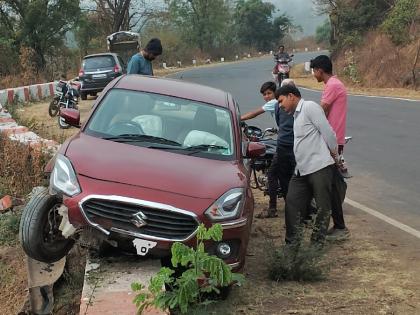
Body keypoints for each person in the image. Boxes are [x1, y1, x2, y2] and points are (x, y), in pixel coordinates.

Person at [276, 84, 338, 246]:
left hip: (319, 168)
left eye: (281, 101)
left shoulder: (310, 107)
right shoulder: (296, 115)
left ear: (291, 96)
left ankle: (316, 246)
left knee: (323, 208)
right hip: (301, 170)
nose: (281, 106)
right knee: (292, 203)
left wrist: (335, 154)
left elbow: (328, 133)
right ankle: (292, 247)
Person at [241, 80, 296, 218]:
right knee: (284, 176)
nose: (267, 96)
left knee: (274, 175)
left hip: (286, 144)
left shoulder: (274, 102)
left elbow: (255, 113)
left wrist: (238, 119)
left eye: (269, 93)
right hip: (291, 142)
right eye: (264, 94)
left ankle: (274, 209)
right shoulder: (280, 103)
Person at [310, 55, 350, 240]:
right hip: (334, 139)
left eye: (314, 70)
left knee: (330, 184)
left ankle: (340, 227)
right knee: (332, 183)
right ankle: (338, 226)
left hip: (331, 141)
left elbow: (321, 111)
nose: (313, 74)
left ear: (320, 70)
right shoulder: (334, 84)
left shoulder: (332, 85)